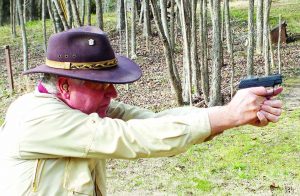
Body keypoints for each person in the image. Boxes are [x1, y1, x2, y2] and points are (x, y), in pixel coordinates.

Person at [0, 26, 283, 196]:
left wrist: (232, 114)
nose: (112, 93)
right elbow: (132, 137)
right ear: (63, 85)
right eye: (100, 85)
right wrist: (228, 115)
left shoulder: (86, 109)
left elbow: (156, 122)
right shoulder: (33, 117)